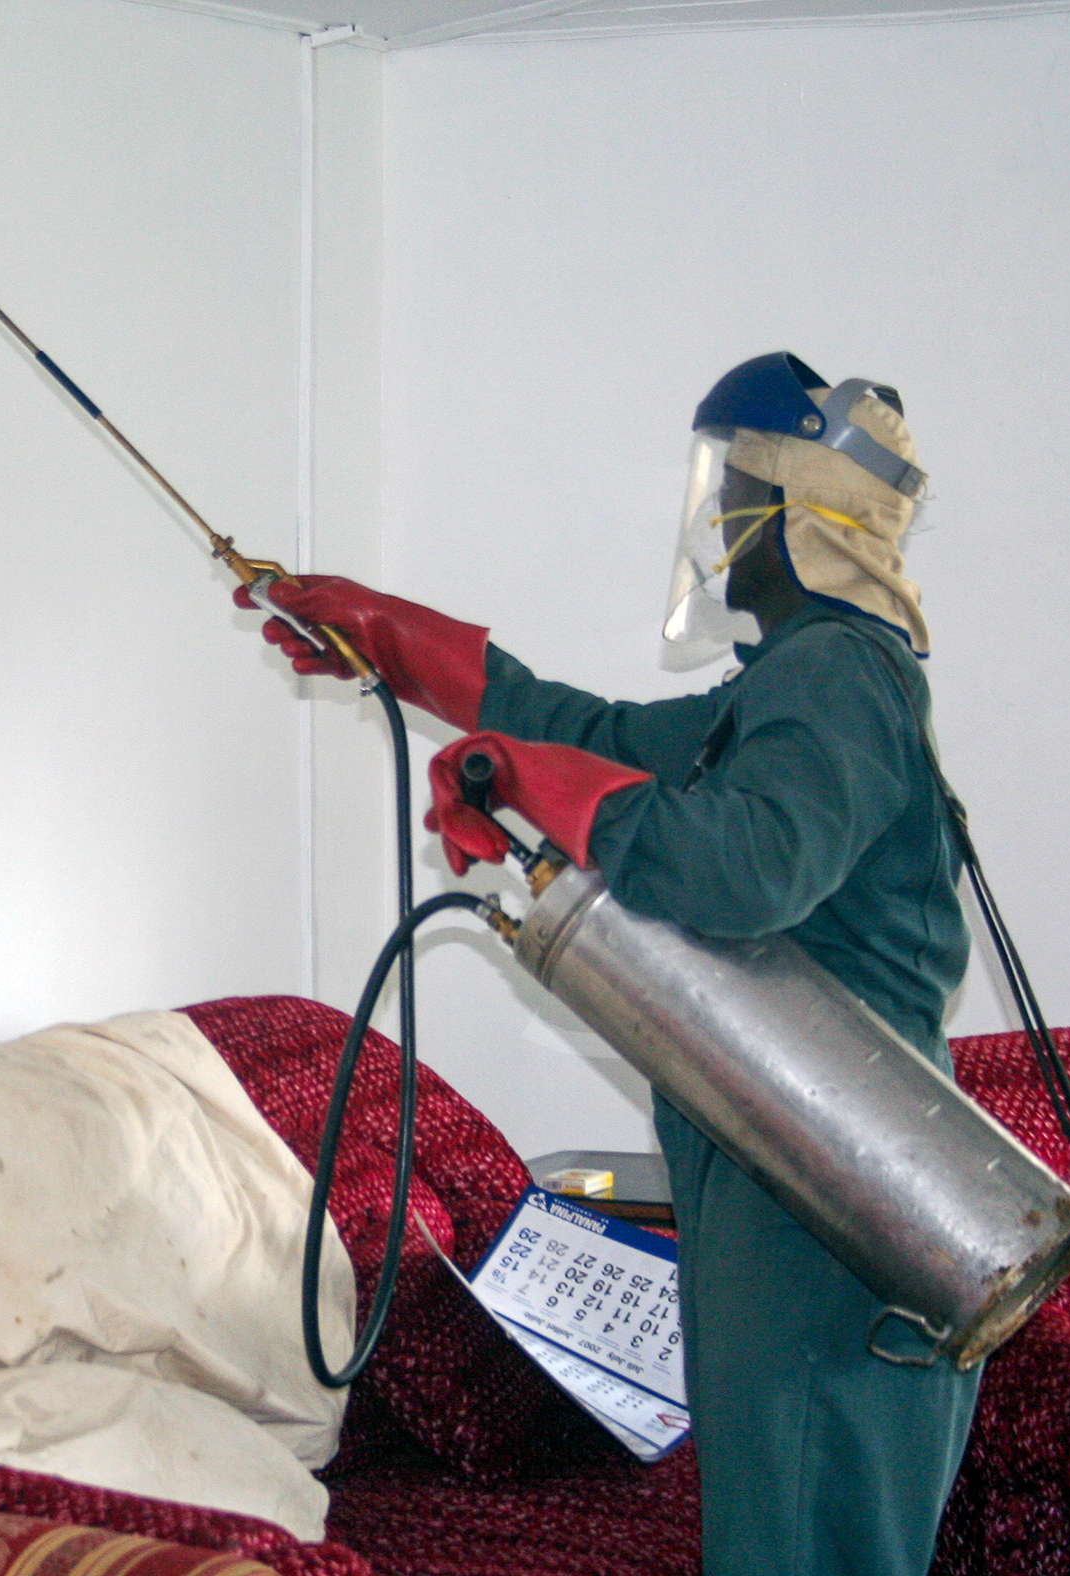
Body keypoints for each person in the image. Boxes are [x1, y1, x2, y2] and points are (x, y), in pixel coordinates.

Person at [237, 352, 981, 1576]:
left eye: (734, 493)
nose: (715, 526)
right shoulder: (789, 687)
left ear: (796, 513)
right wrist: (406, 645)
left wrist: (553, 793)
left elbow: (751, 864)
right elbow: (603, 738)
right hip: (810, 1175)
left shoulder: (838, 673)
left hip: (834, 1204)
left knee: (800, 1547)